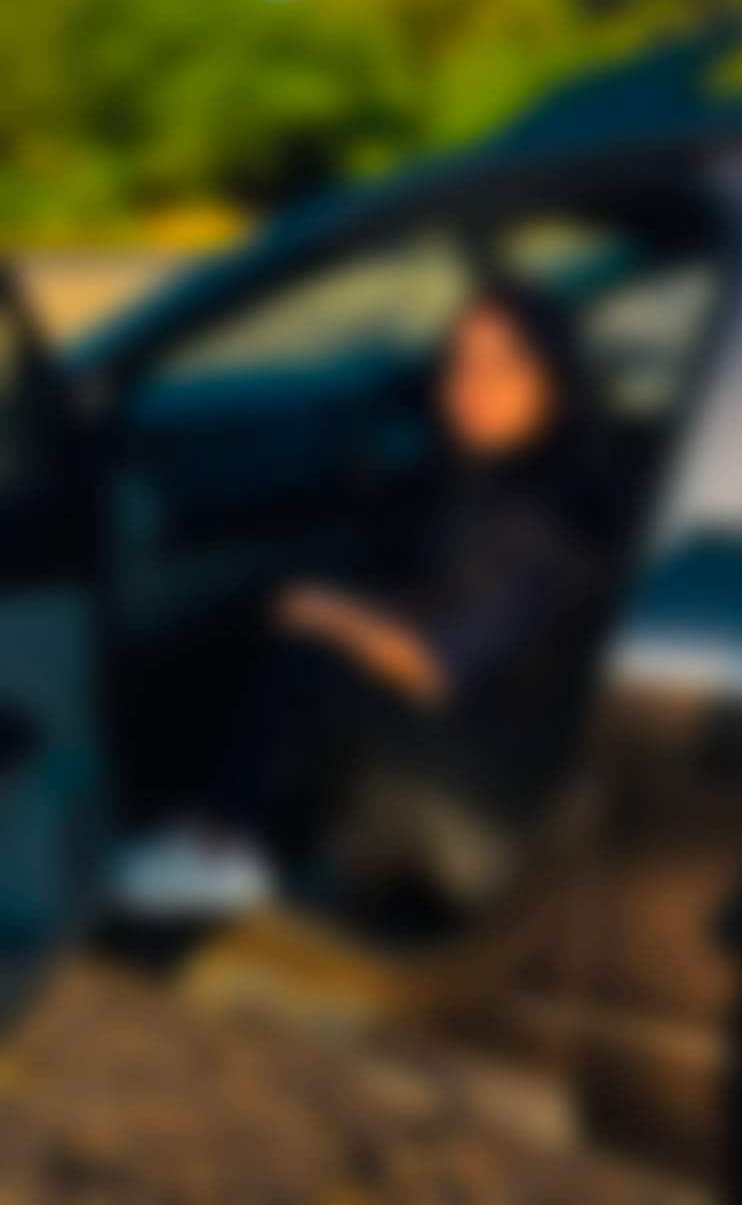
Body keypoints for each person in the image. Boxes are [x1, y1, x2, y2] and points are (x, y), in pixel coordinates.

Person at [109, 278, 623, 921]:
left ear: (555, 379)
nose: (471, 387)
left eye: (504, 366)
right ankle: (212, 828)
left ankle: (229, 852)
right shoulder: (512, 477)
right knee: (301, 618)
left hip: (497, 771)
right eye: (460, 364)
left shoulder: (543, 516)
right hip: (498, 721)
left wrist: (321, 609)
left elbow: (435, 664)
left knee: (310, 651)